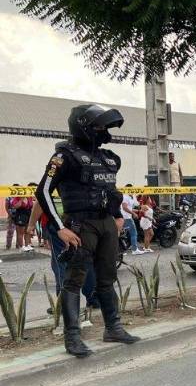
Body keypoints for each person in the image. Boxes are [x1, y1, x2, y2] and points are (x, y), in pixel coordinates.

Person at [35, 104, 140, 358]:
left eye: (105, 126)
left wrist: (116, 216)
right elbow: (43, 192)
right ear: (83, 126)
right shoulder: (63, 157)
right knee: (73, 282)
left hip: (105, 226)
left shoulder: (108, 158)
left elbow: (112, 193)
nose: (104, 131)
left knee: (106, 278)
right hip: (80, 226)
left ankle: (113, 328)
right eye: (99, 126)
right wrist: (59, 228)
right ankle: (72, 338)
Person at [120, 185, 143, 255]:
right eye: (131, 189)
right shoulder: (125, 196)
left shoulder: (130, 197)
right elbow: (124, 207)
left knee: (122, 234)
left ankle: (121, 250)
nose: (133, 190)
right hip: (126, 217)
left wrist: (138, 211)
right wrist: (133, 213)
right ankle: (134, 249)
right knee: (134, 233)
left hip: (126, 217)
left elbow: (129, 208)